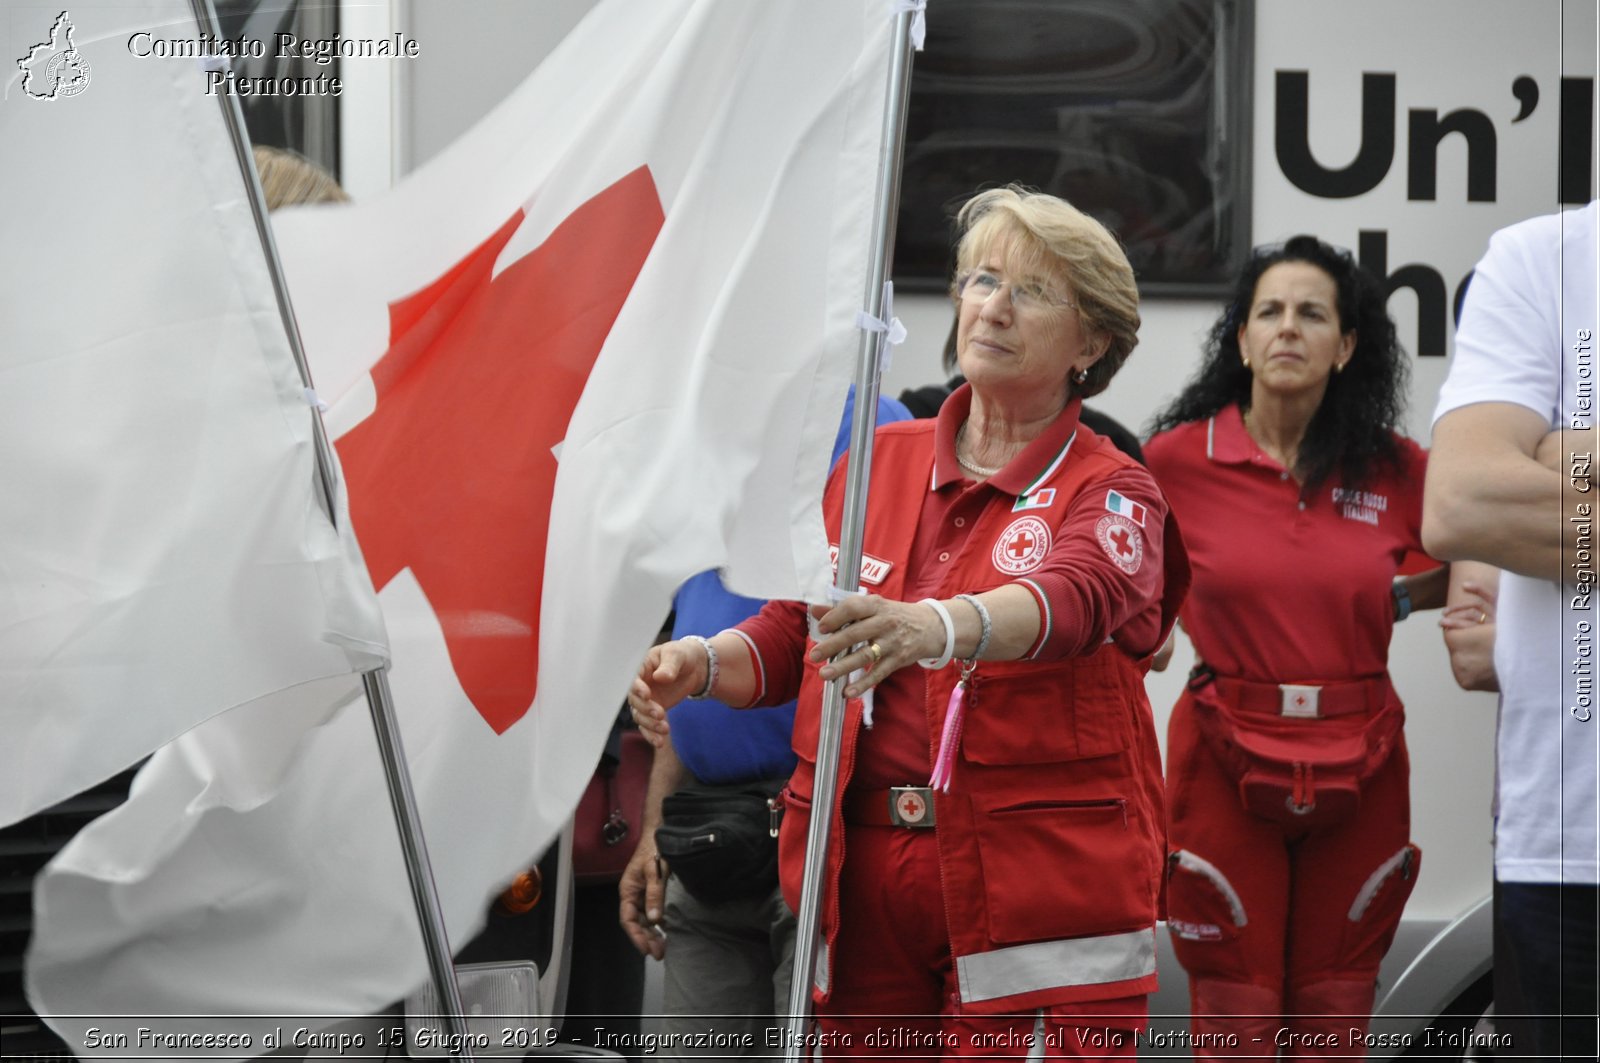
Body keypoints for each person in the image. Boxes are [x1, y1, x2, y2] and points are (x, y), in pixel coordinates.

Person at [632, 185, 1187, 1057]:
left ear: (1093, 342)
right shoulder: (875, 464)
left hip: (1034, 901)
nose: (993, 307)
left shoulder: (1113, 486)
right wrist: (700, 661)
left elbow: (1071, 599)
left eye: (1032, 292)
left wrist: (938, 626)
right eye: (980, 280)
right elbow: (795, 632)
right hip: (862, 888)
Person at [1143, 235, 1446, 1056]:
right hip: (1220, 760)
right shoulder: (1175, 461)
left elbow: (1468, 561)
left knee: (1335, 1021)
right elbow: (1125, 584)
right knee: (1234, 1025)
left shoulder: (1396, 469)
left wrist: (1402, 597)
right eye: (1268, 312)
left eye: (1312, 314)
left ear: (1347, 345)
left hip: (1367, 761)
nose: (1287, 329)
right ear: (1240, 338)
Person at [617, 390, 911, 1058]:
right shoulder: (707, 427)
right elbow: (693, 666)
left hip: (815, 821)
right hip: (708, 829)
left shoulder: (872, 429)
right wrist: (657, 824)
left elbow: (835, 637)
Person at [1422, 201, 1599, 1062]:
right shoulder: (1545, 260)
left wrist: (1562, 449)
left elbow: (1505, 488)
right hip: (1573, 846)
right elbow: (1462, 501)